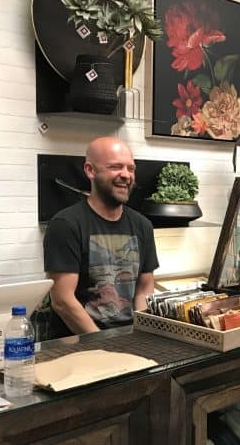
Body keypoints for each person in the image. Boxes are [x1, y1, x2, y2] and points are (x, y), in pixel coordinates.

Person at [42, 136, 159, 339]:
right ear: (90, 170)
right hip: (79, 345)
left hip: (129, 340)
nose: (126, 175)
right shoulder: (66, 224)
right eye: (115, 167)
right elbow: (62, 300)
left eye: (131, 169)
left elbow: (144, 289)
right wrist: (102, 344)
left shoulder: (142, 225)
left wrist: (142, 335)